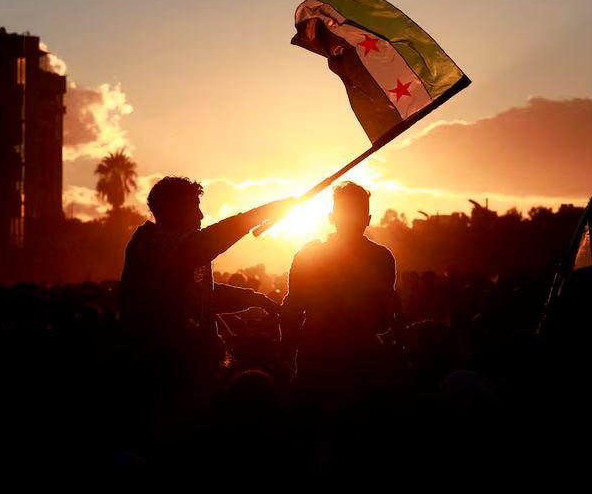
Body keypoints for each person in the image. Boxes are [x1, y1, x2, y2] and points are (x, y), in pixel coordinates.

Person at [115, 176, 295, 454]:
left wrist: (255, 299)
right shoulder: (153, 246)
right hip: (168, 369)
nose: (201, 215)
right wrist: (267, 211)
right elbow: (213, 240)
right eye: (194, 207)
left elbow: (203, 294)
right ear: (173, 210)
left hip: (183, 366)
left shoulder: (172, 247)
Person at [281, 181, 399, 401]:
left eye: (355, 212)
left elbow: (290, 312)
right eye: (349, 212)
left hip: (334, 363)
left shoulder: (310, 255)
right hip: (340, 363)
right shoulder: (381, 258)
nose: (352, 220)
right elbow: (385, 321)